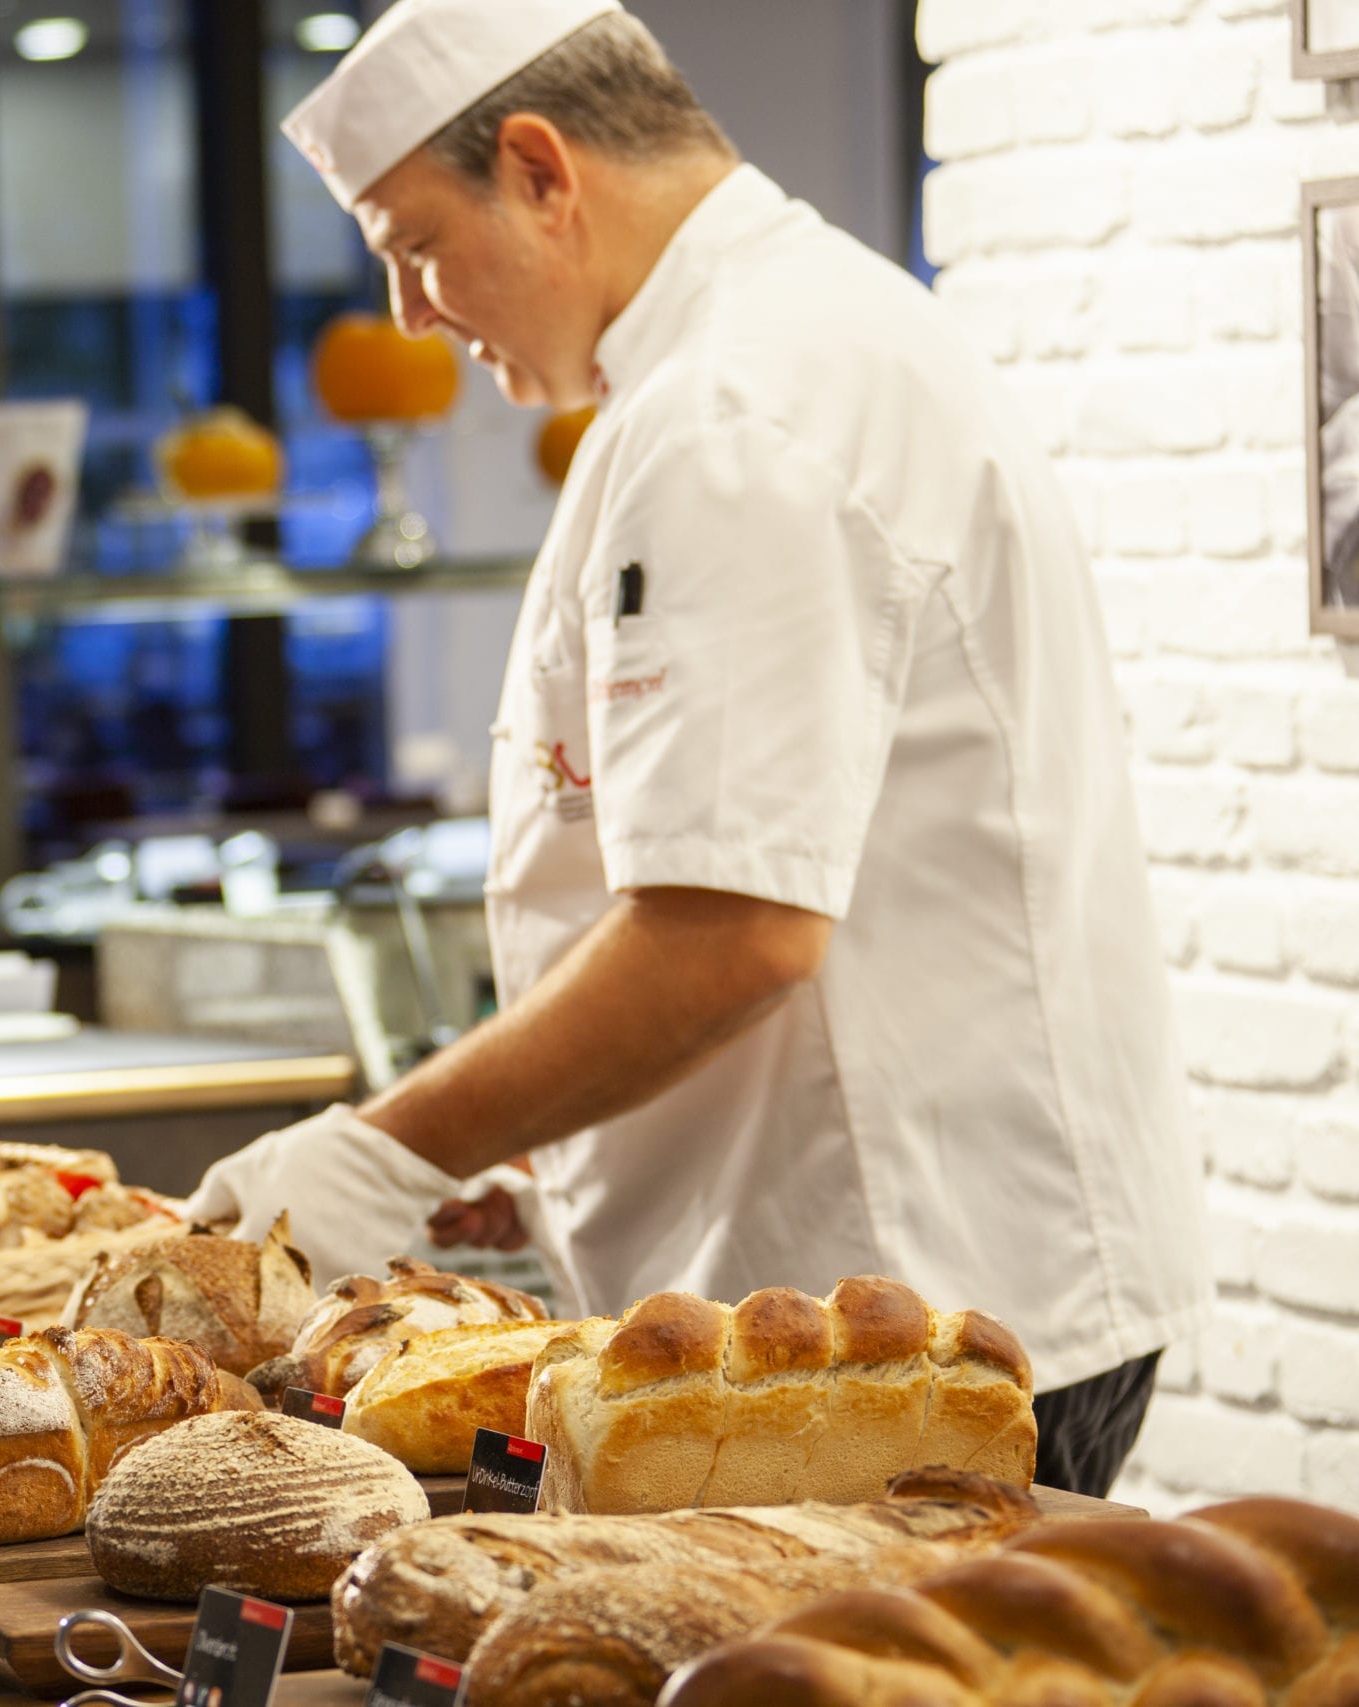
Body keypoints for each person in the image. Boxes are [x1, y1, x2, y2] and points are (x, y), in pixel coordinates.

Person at [183, 0, 1208, 1498]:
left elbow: (733, 933)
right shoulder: (797, 337)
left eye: (413, 246)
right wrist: (534, 1147)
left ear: (540, 168)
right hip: (906, 1294)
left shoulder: (734, 409)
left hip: (883, 1335)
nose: (410, 314)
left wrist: (387, 1149)